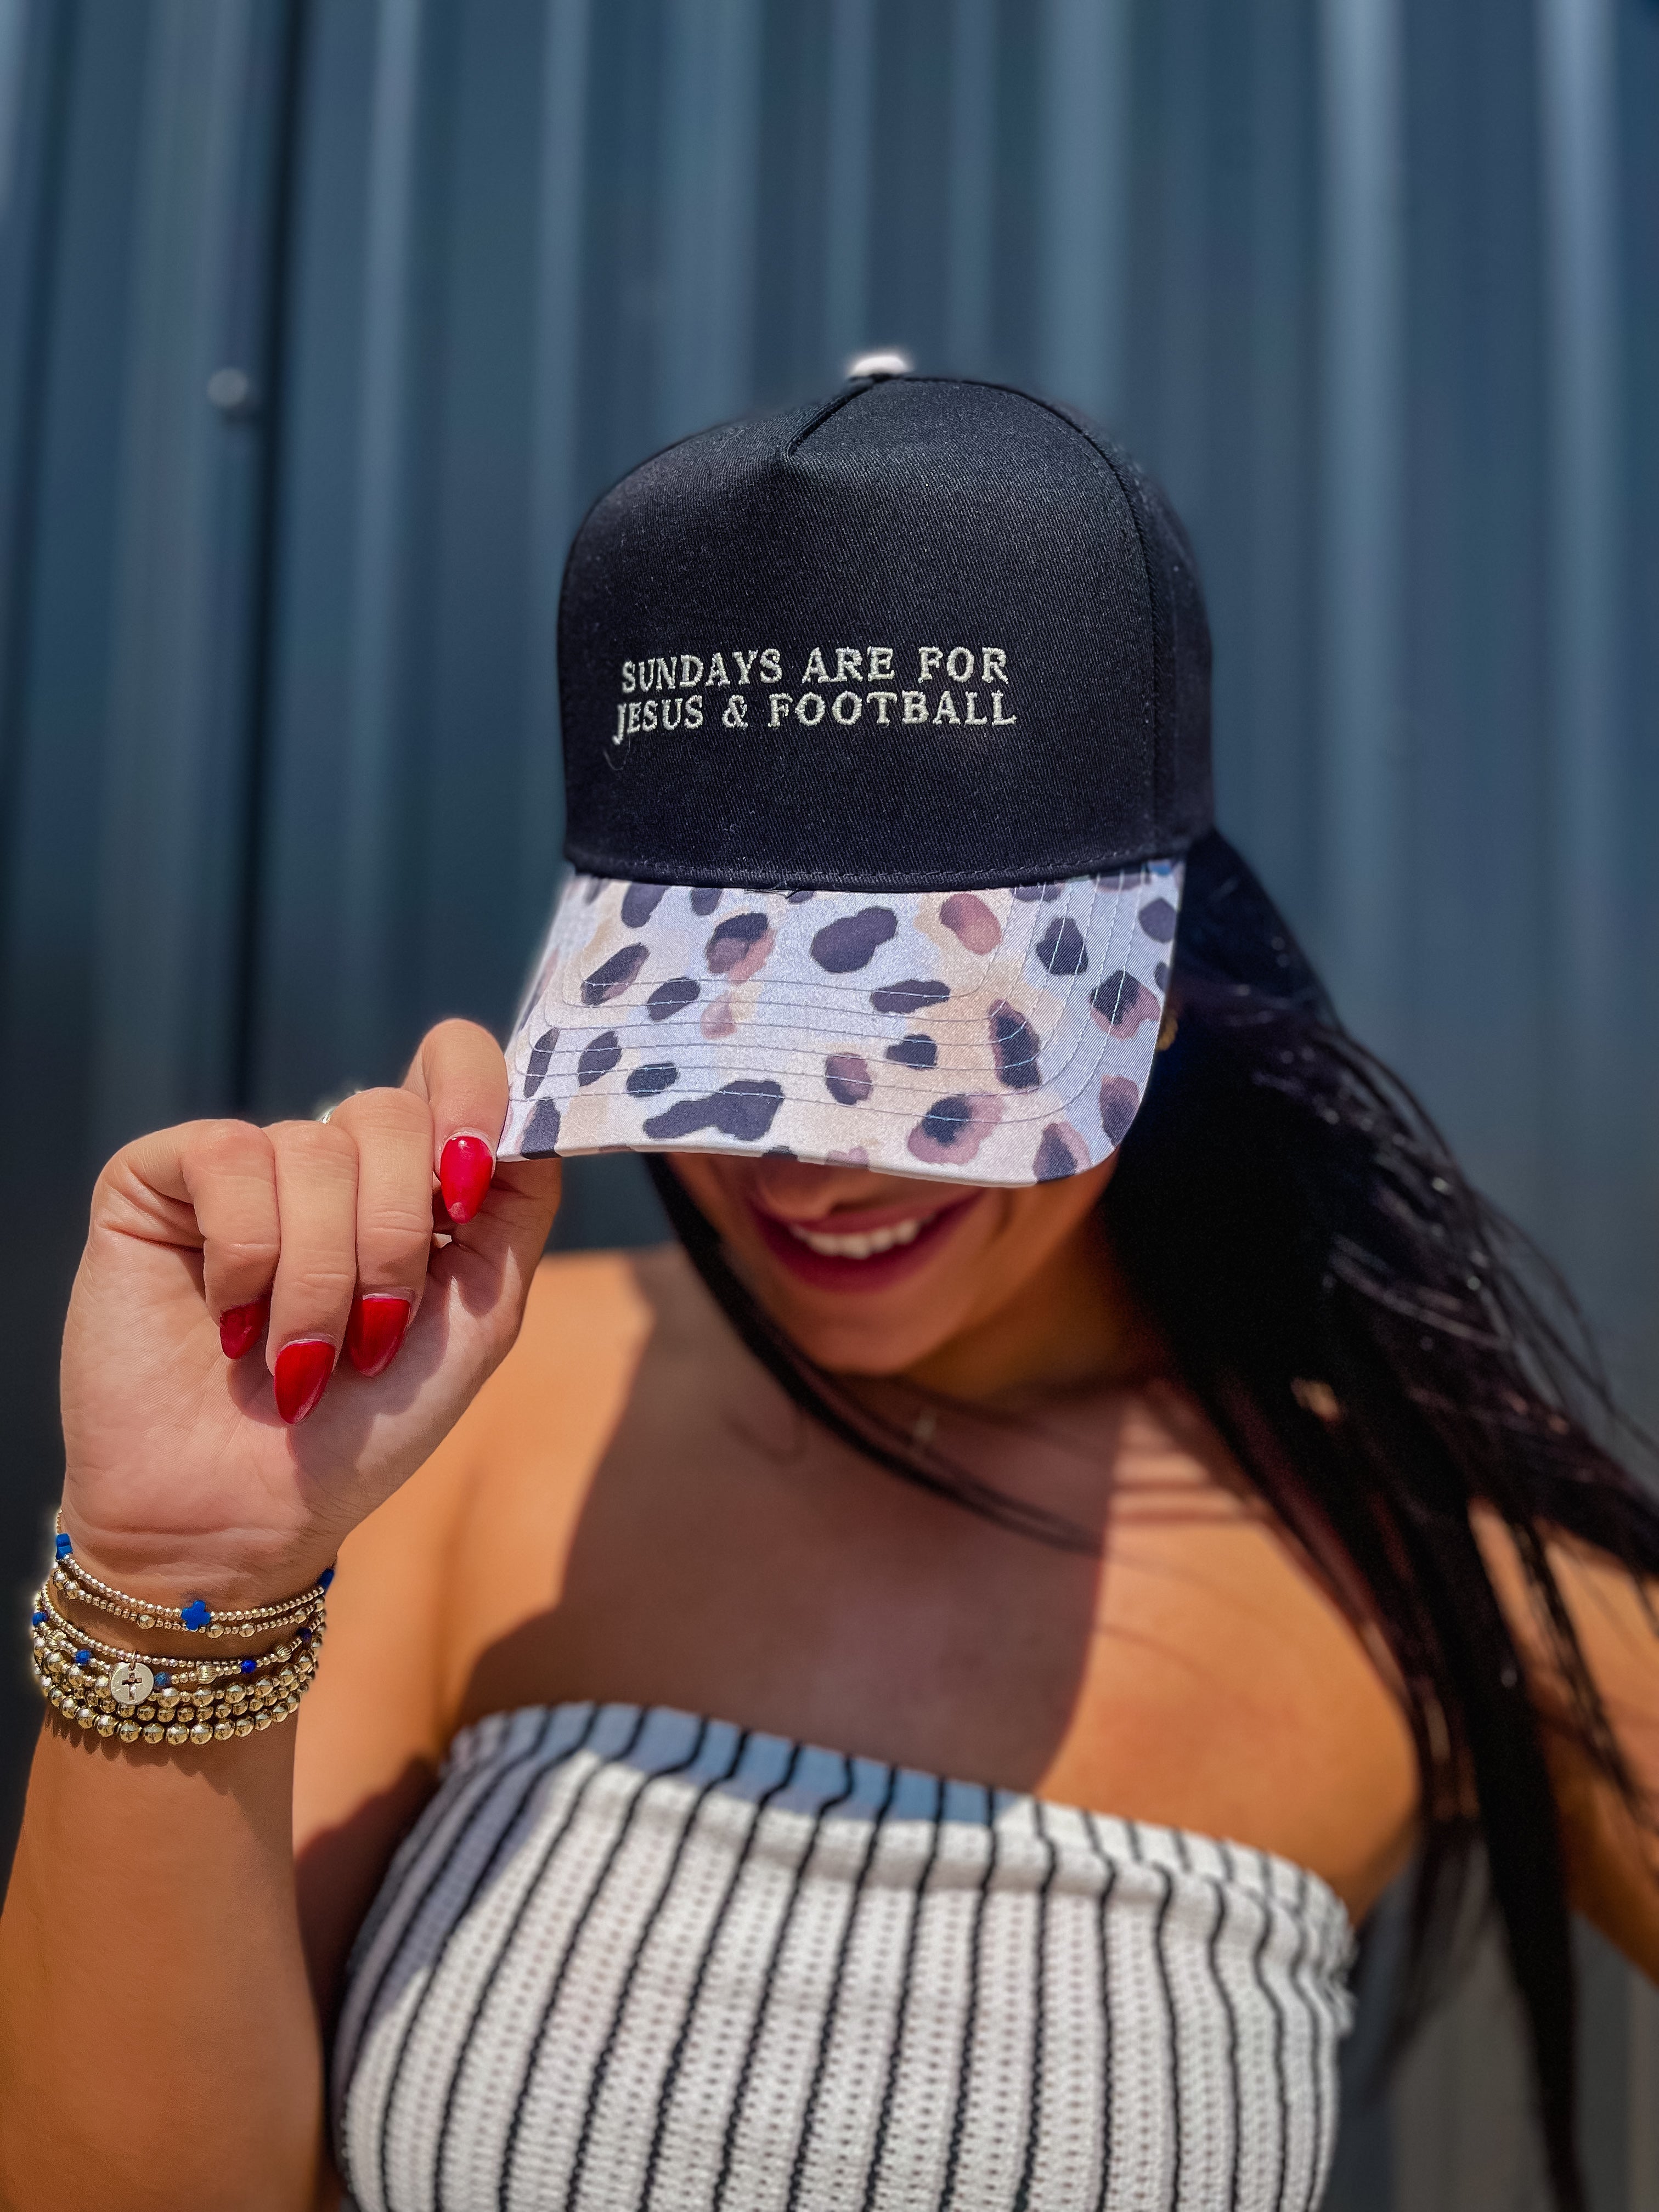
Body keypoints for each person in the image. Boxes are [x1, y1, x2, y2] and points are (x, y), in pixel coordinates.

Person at [1, 374, 1654, 2212]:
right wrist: (176, 1580)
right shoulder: (451, 1438)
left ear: (1157, 977)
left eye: (926, 1051)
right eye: (719, 1052)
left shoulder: (1395, 1549)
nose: (810, 1169)